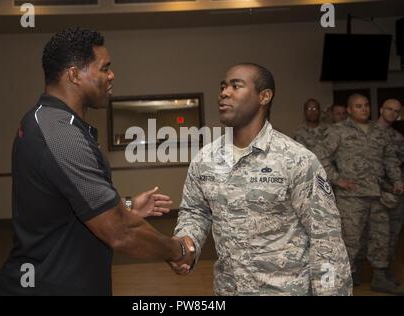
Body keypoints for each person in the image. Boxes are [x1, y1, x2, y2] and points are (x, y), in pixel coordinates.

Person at [0, 28, 193, 296]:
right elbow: (120, 232)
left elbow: (69, 205)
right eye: (104, 68)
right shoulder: (60, 133)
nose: (111, 76)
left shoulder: (48, 121)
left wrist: (129, 205)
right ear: (74, 75)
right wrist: (177, 249)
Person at [171, 63, 352, 296]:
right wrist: (187, 243)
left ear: (264, 96)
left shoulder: (296, 160)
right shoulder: (205, 159)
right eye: (223, 87)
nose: (224, 93)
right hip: (229, 290)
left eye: (236, 86)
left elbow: (326, 239)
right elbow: (195, 212)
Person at [314, 94, 404, 295]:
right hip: (351, 197)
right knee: (350, 241)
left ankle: (379, 277)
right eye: (358, 106)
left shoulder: (378, 132)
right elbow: (319, 157)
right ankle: (345, 277)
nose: (364, 109)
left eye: (366, 106)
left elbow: (389, 158)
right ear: (349, 109)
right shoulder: (337, 131)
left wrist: (397, 180)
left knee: (381, 237)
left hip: (377, 194)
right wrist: (337, 179)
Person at [377, 99, 404, 285]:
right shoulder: (367, 131)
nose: (393, 113)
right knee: (376, 235)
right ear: (381, 109)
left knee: (392, 234)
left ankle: (385, 270)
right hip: (372, 192)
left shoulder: (397, 137)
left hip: (394, 194)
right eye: (389, 109)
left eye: (397, 111)